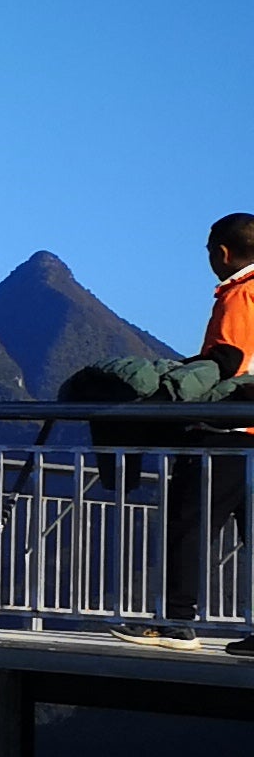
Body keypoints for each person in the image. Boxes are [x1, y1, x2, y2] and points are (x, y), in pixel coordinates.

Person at [164, 211, 254, 647]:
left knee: (190, 522)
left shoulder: (239, 295)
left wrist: (178, 380)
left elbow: (228, 359)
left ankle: (177, 621)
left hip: (226, 432)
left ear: (222, 252)